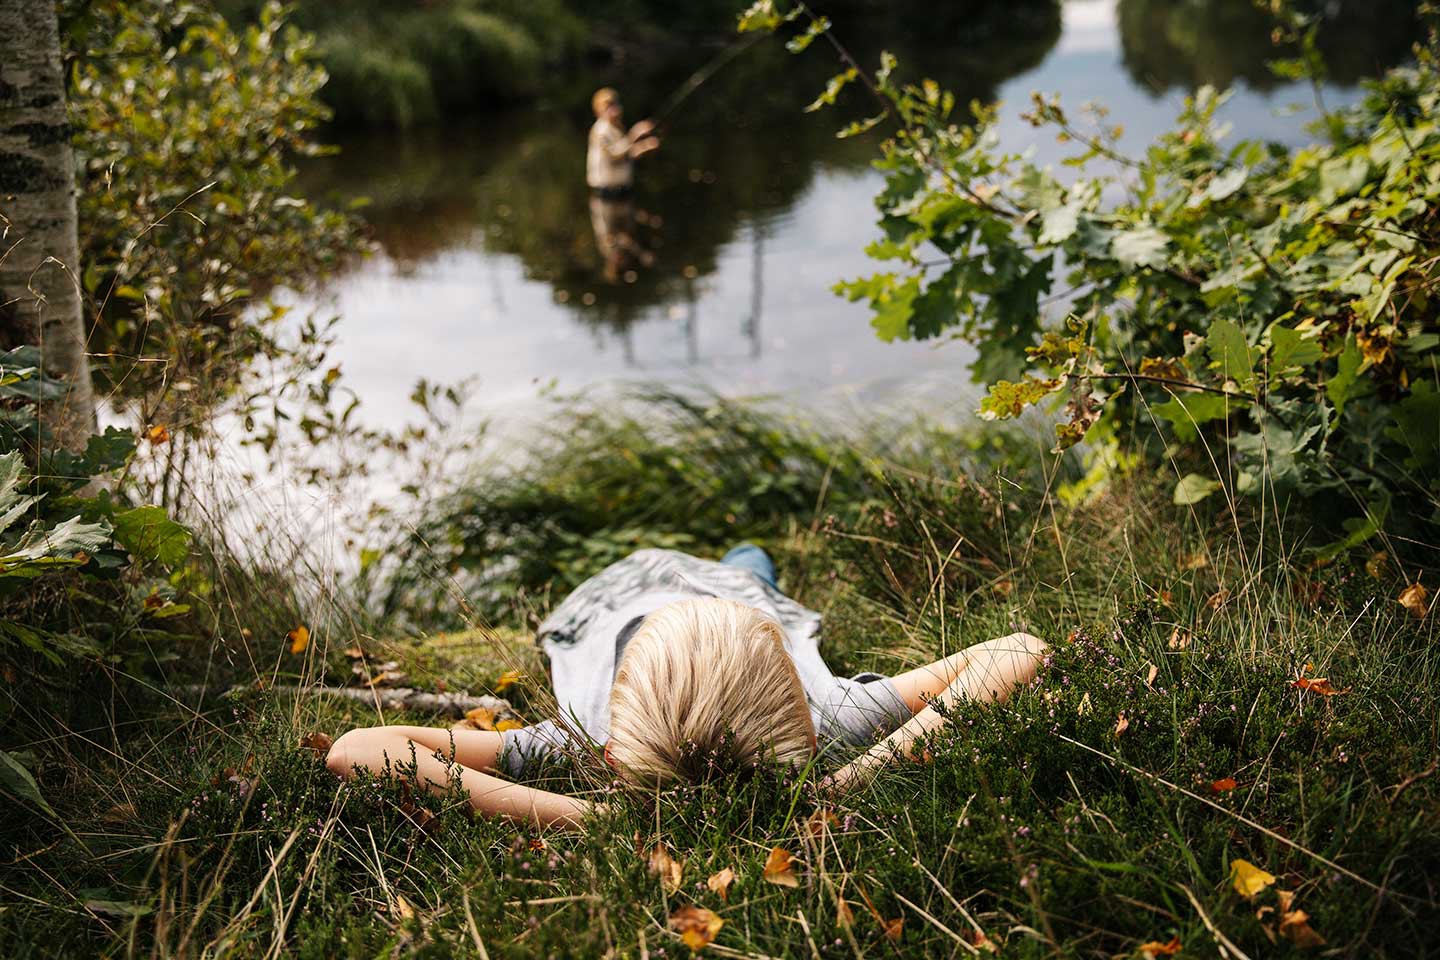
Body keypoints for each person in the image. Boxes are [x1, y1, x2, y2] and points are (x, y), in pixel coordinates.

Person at [326, 546, 1047, 830]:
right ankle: (746, 562)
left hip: (661, 604)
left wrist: (585, 817)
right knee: (749, 563)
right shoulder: (836, 718)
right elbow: (1021, 651)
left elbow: (361, 747)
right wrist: (848, 782)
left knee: (749, 565)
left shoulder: (576, 747)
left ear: (613, 757)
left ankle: (745, 564)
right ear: (808, 730)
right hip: (669, 599)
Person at [586, 87, 659, 282]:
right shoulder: (600, 131)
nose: (614, 110)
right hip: (606, 196)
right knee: (618, 227)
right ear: (598, 110)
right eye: (608, 106)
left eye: (614, 105)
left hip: (621, 193)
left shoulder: (615, 128)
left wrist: (643, 147)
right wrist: (635, 134)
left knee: (627, 225)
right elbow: (615, 153)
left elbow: (624, 156)